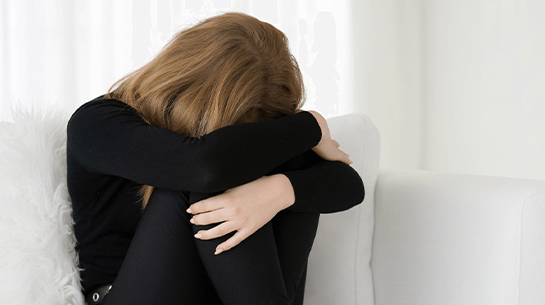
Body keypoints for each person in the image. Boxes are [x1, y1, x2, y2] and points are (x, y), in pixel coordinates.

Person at [66, 12, 365, 305]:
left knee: (280, 166)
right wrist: (311, 125)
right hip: (123, 293)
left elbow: (350, 186)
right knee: (207, 178)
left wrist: (277, 192)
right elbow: (203, 167)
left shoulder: (222, 156)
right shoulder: (96, 124)